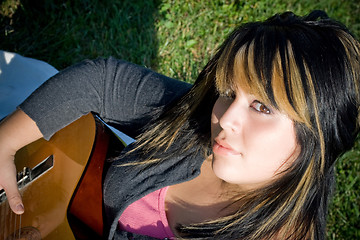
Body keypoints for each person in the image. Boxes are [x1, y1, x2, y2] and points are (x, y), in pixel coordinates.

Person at [0, 10, 359, 239]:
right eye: (229, 91)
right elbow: (102, 81)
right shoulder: (202, 116)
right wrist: (4, 143)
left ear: (318, 138)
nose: (225, 118)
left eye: (262, 107)